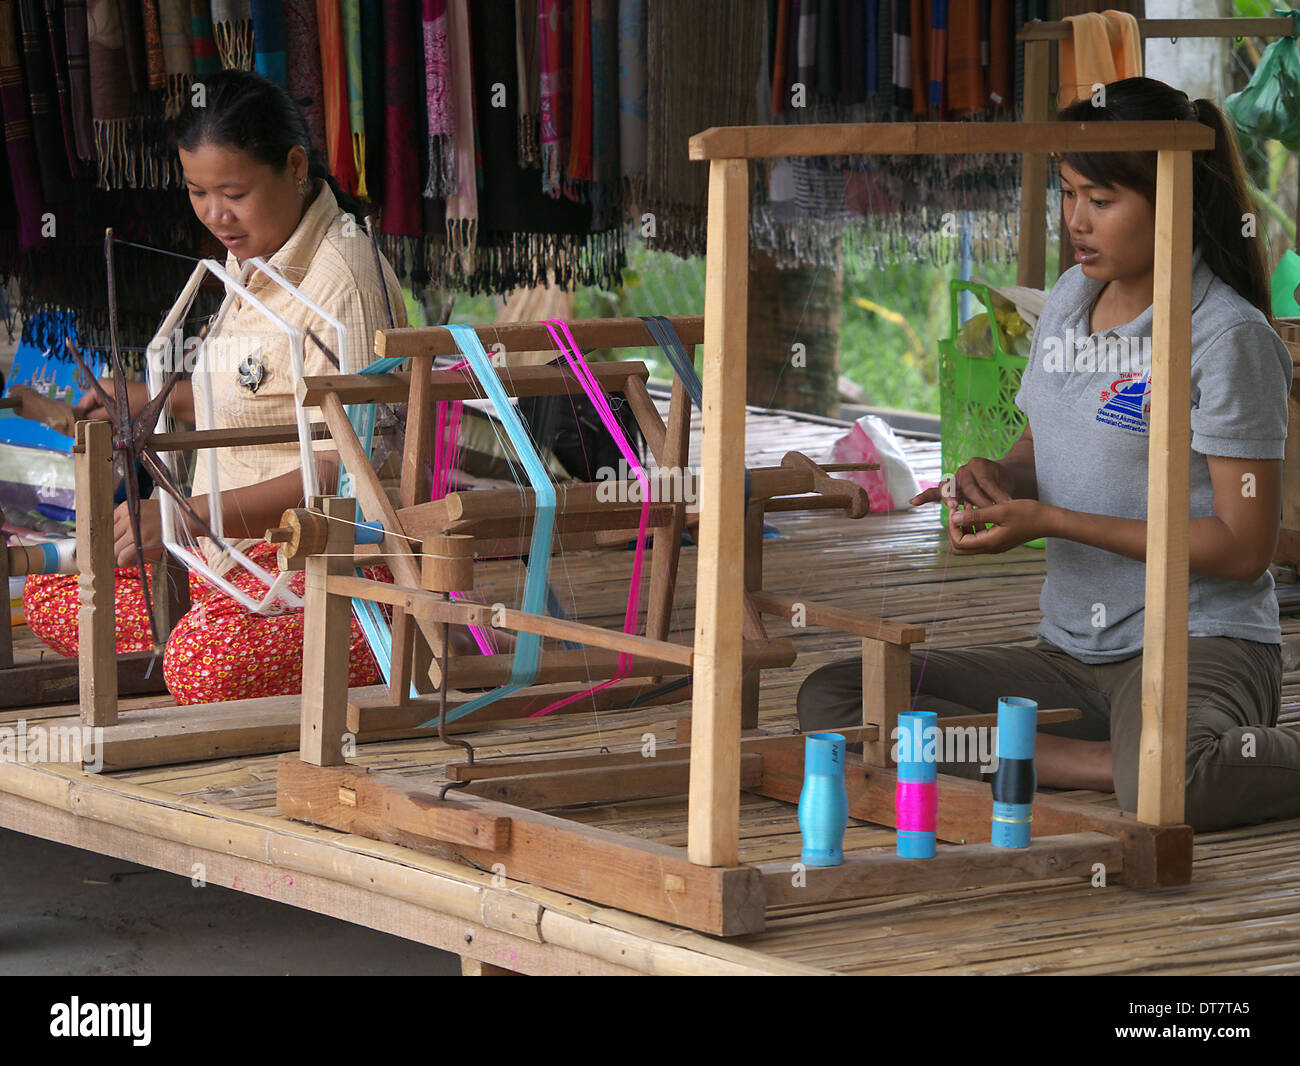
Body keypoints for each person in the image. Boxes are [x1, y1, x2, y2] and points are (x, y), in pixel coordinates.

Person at [797, 77, 1300, 833]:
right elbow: (1040, 444)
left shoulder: (1228, 340)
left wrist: (1053, 520)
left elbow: (1242, 547)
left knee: (1181, 787)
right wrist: (997, 478)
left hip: (1201, 642)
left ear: (1176, 201)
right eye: (1067, 194)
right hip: (1071, 653)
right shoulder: (1070, 297)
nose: (1076, 222)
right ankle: (1109, 763)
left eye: (1100, 201)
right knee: (840, 702)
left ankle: (1144, 759)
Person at [23, 69, 405, 705]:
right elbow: (264, 400)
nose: (214, 214)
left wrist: (185, 516)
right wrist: (151, 399)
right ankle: (205, 628)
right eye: (198, 192)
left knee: (201, 664)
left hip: (324, 571)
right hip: (224, 564)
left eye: (232, 192)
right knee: (54, 593)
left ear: (294, 166)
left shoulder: (344, 280)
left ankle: (402, 635)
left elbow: (355, 466)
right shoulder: (252, 254)